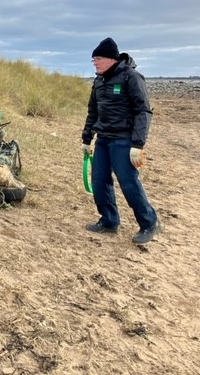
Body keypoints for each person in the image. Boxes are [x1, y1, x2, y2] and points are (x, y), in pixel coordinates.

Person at [81, 37, 161, 245]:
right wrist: (87, 138)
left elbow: (143, 112)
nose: (95, 63)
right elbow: (93, 112)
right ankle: (109, 221)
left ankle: (149, 223)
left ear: (111, 59)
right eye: (93, 60)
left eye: (98, 59)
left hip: (124, 141)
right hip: (104, 140)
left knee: (128, 182)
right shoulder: (98, 81)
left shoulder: (131, 77)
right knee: (99, 181)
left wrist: (138, 145)